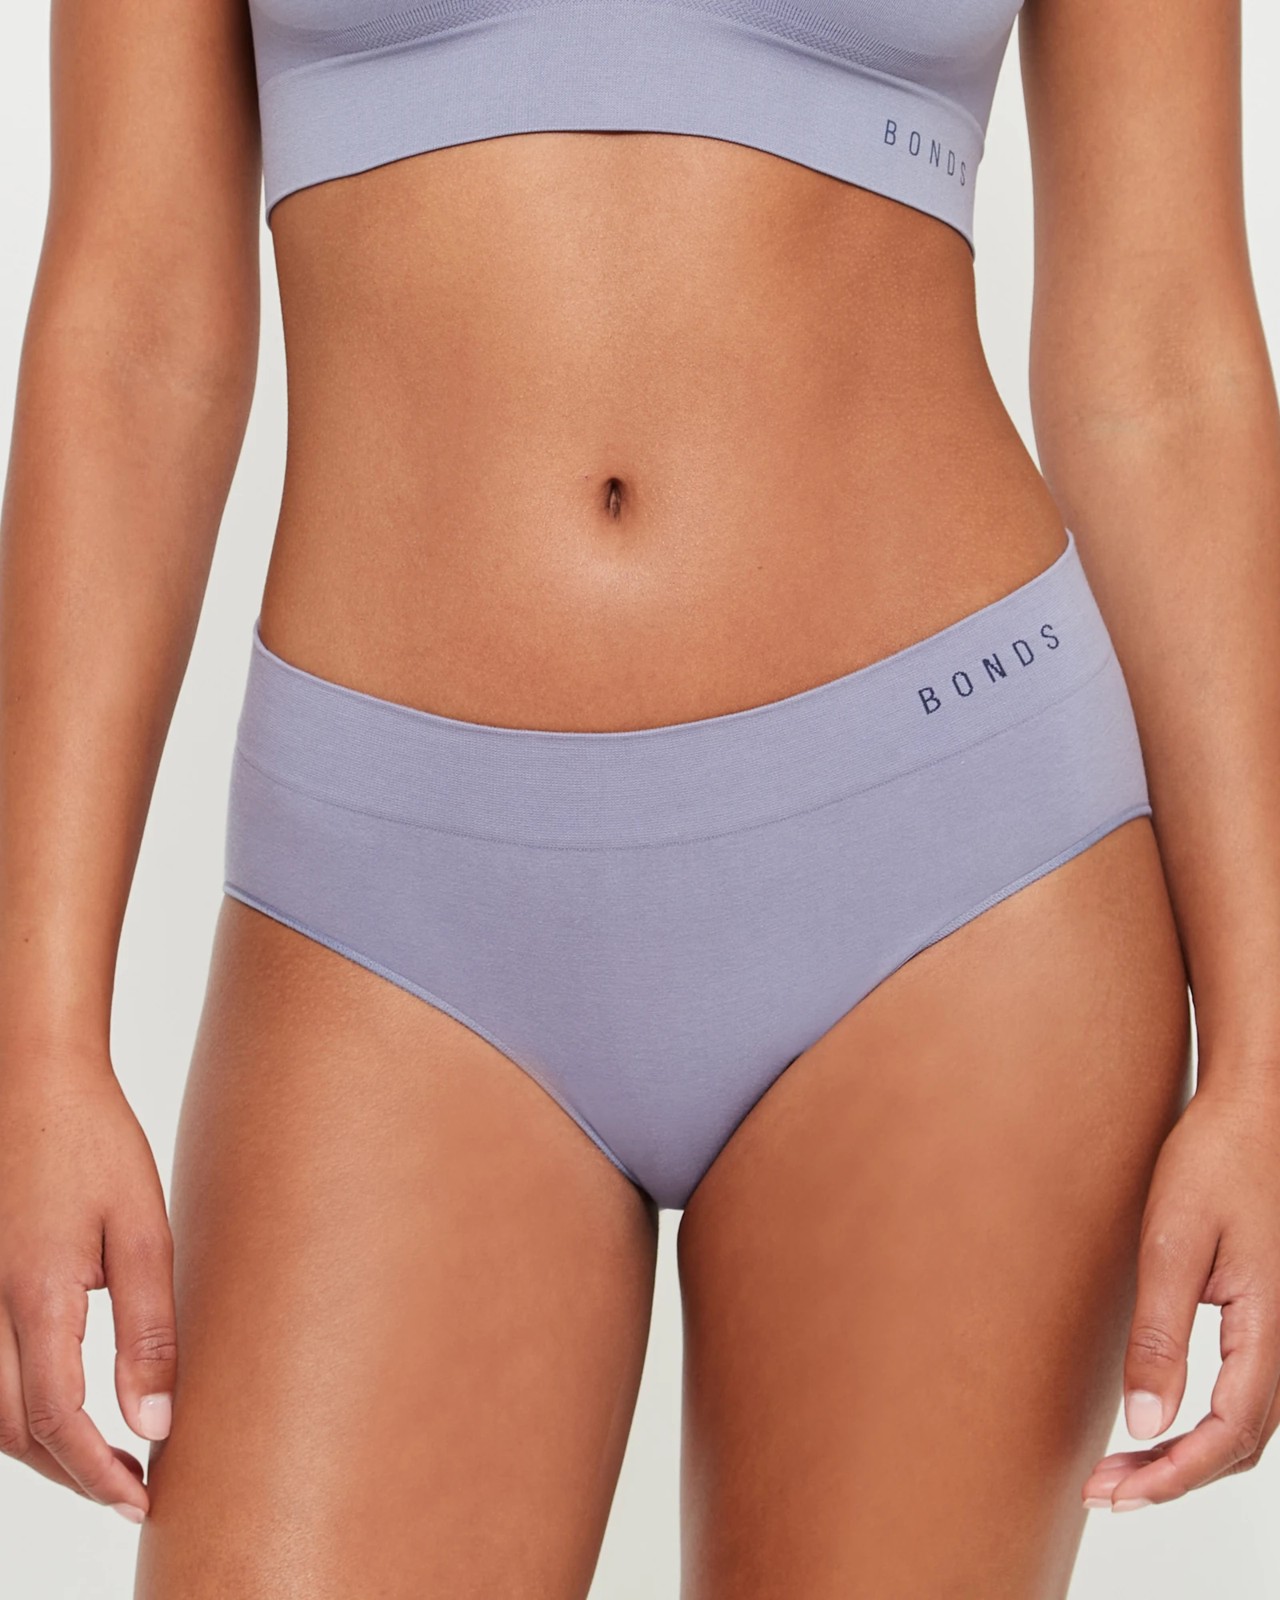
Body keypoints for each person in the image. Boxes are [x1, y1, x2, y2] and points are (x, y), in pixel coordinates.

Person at [1, 0, 1278, 1592]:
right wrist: (36, 1039)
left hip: (952, 881)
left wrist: (1268, 1044)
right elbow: (133, 331)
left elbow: (1162, 357)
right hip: (386, 904)